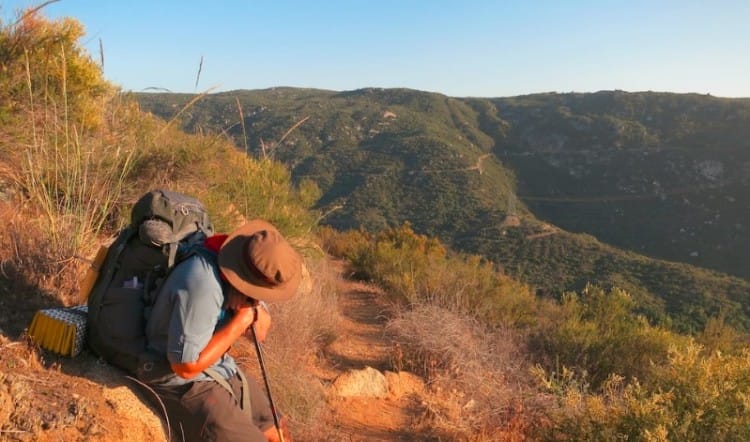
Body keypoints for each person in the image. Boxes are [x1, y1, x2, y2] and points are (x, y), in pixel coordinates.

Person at [143, 219, 301, 442]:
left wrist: (250, 304)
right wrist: (240, 321)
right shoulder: (203, 283)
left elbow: (262, 330)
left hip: (218, 368)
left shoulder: (244, 268)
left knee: (278, 430)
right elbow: (184, 367)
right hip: (177, 381)